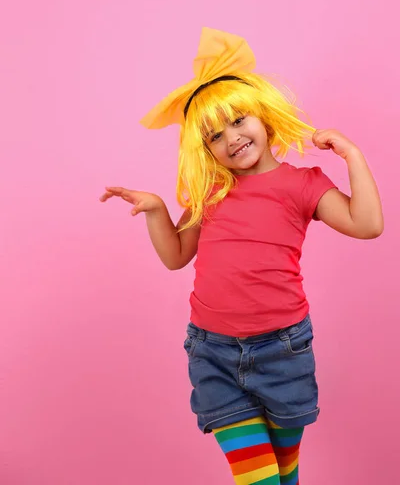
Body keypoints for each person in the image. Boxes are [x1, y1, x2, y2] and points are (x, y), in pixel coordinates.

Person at [100, 28, 383, 485]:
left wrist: (352, 155)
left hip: (284, 351)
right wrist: (156, 210)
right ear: (205, 150)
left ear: (265, 116)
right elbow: (175, 257)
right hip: (213, 354)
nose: (230, 138)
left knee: (285, 474)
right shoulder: (211, 192)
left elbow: (367, 225)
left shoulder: (303, 183)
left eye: (238, 120)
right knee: (258, 479)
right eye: (214, 135)